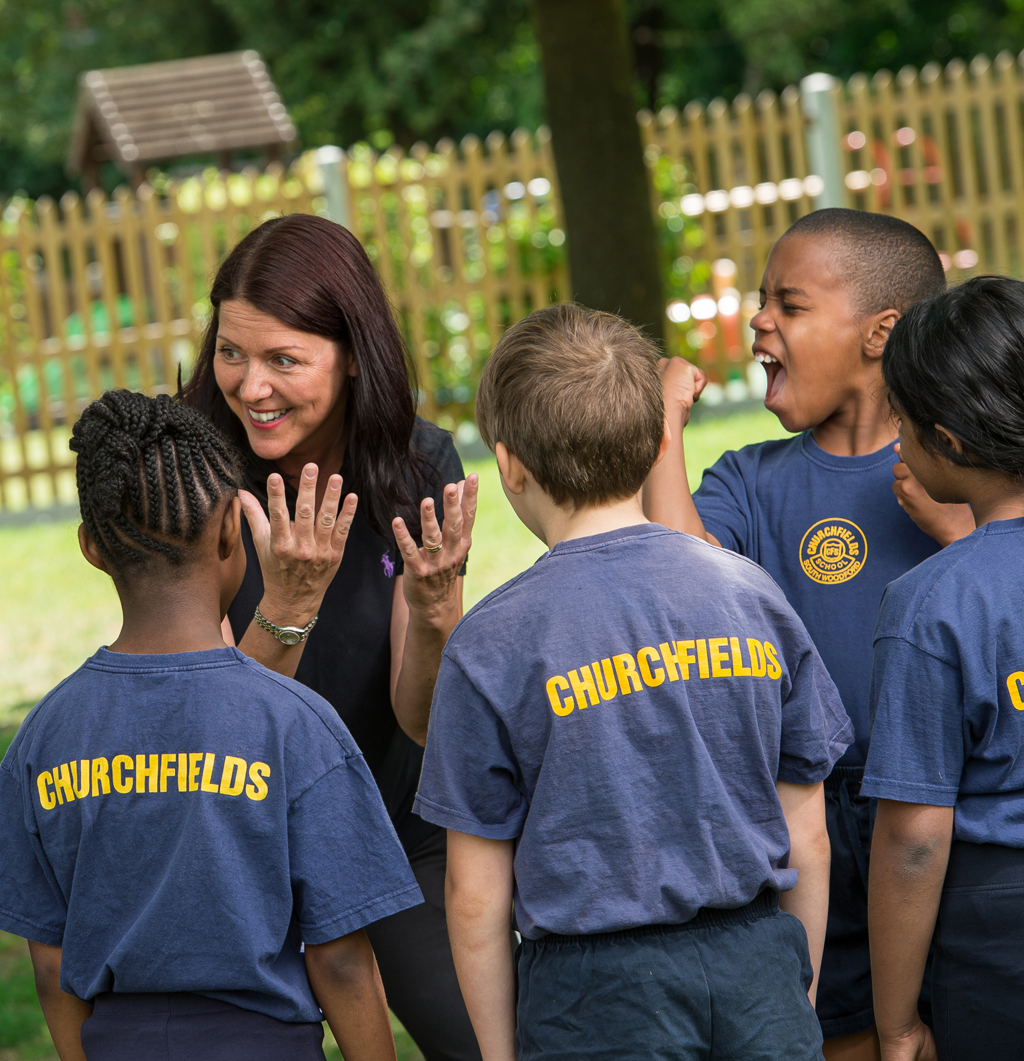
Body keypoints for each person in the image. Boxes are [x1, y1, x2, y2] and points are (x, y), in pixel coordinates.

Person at [424, 305, 852, 1061]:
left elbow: (474, 895)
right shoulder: (751, 595)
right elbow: (808, 838)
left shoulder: (490, 643)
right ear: (660, 440)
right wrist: (795, 998)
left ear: (510, 464)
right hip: (758, 964)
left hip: (594, 997)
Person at [0, 390, 424, 1061]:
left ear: (92, 548)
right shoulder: (297, 725)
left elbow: (49, 963)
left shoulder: (45, 736)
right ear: (233, 531)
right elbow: (342, 959)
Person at [641, 208, 970, 1061]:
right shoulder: (751, 479)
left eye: (789, 304)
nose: (759, 320)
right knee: (835, 1024)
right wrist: (664, 424)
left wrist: (955, 529)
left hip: (945, 802)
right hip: (805, 812)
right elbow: (683, 576)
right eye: (763, 301)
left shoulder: (961, 463)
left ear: (879, 333)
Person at [179, 213, 481, 1061]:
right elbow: (217, 734)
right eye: (231, 352)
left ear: (351, 354)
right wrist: (288, 602)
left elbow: (422, 719)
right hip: (241, 842)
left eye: (283, 359)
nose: (251, 386)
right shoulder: (193, 471)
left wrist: (434, 612)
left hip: (396, 831)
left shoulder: (418, 467)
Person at [861, 276, 1024, 1061]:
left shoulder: (932, 604)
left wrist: (895, 1024)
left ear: (948, 441)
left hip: (997, 940)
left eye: (902, 420)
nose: (896, 439)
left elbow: (914, 839)